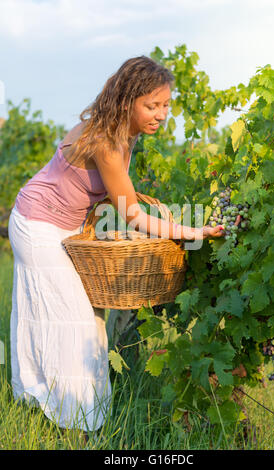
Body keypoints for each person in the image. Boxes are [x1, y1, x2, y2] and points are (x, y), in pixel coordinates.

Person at [8, 56, 225, 435]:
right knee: (71, 320)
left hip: (65, 228)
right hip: (36, 224)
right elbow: (134, 215)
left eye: (166, 105)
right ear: (127, 102)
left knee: (87, 321)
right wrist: (191, 232)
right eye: (152, 105)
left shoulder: (125, 133)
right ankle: (74, 418)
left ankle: (75, 410)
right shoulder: (106, 141)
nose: (161, 114)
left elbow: (114, 196)